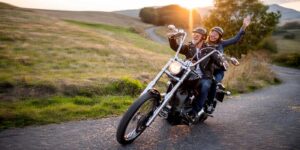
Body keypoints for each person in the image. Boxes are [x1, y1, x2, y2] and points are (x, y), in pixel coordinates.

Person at [168, 27, 226, 119]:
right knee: (173, 78)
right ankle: (169, 101)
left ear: (203, 38)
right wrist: (172, 38)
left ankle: (194, 112)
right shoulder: (190, 47)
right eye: (194, 34)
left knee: (205, 86)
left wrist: (222, 61)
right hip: (189, 74)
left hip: (204, 76)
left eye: (197, 35)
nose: (194, 36)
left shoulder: (210, 49)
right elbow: (176, 47)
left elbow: (218, 60)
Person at [206, 16, 251, 113]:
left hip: (218, 70)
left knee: (214, 82)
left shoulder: (221, 44)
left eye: (216, 35)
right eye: (212, 33)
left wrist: (243, 26)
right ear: (209, 33)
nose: (213, 35)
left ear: (219, 37)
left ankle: (209, 103)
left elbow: (235, 39)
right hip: (205, 69)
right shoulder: (204, 43)